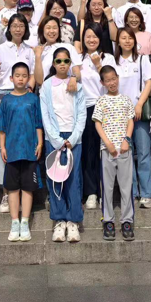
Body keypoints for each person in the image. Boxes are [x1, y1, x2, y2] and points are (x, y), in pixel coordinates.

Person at [0, 13, 35, 213]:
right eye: (14, 25)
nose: (18, 29)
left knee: (23, 141)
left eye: (21, 25)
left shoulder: (30, 51)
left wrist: (29, 90)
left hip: (25, 98)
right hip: (4, 96)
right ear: (9, 29)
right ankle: (6, 192)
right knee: (3, 143)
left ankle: (25, 189)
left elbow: (32, 75)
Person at [40, 47, 87, 243]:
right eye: (58, 61)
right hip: (54, 138)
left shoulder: (78, 86)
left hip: (74, 138)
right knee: (55, 179)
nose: (62, 64)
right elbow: (45, 115)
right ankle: (59, 220)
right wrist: (56, 139)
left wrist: (73, 138)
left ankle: (73, 220)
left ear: (70, 63)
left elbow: (82, 114)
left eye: (66, 61)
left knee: (74, 180)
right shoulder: (46, 86)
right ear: (53, 63)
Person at [0, 62, 44, 242]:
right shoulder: (6, 100)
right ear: (11, 78)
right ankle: (14, 222)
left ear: (29, 78)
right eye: (17, 76)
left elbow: (38, 123)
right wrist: (2, 147)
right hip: (12, 150)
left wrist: (40, 143)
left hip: (30, 149)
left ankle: (25, 222)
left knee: (28, 188)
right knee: (13, 188)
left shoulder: (33, 99)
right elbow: (2, 127)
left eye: (24, 76)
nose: (21, 79)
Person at [113, 27, 151, 208]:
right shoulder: (113, 61)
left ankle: (147, 192)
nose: (127, 41)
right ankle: (131, 191)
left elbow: (149, 83)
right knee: (125, 154)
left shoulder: (142, 59)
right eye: (123, 38)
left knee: (144, 152)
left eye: (130, 38)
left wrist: (139, 104)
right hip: (120, 115)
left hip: (139, 112)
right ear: (118, 41)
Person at [92, 65, 136, 241]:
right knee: (107, 187)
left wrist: (127, 140)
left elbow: (130, 121)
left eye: (113, 79)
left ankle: (127, 221)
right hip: (107, 149)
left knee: (126, 187)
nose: (111, 83)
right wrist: (107, 143)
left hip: (124, 148)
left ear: (118, 78)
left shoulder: (126, 99)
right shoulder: (101, 101)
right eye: (107, 80)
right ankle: (108, 220)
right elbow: (98, 123)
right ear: (102, 82)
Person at [77, 23, 116, 208]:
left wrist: (99, 65)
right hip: (86, 107)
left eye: (95, 36)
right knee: (89, 150)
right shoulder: (79, 59)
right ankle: (91, 192)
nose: (91, 40)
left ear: (100, 38)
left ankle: (105, 192)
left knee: (107, 151)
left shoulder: (108, 58)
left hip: (106, 107)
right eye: (88, 36)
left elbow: (111, 82)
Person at [33, 16, 81, 86]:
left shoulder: (68, 47)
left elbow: (77, 72)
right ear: (42, 30)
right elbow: (39, 81)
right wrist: (38, 56)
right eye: (48, 28)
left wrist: (73, 78)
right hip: (46, 90)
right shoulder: (39, 51)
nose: (51, 31)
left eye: (54, 28)